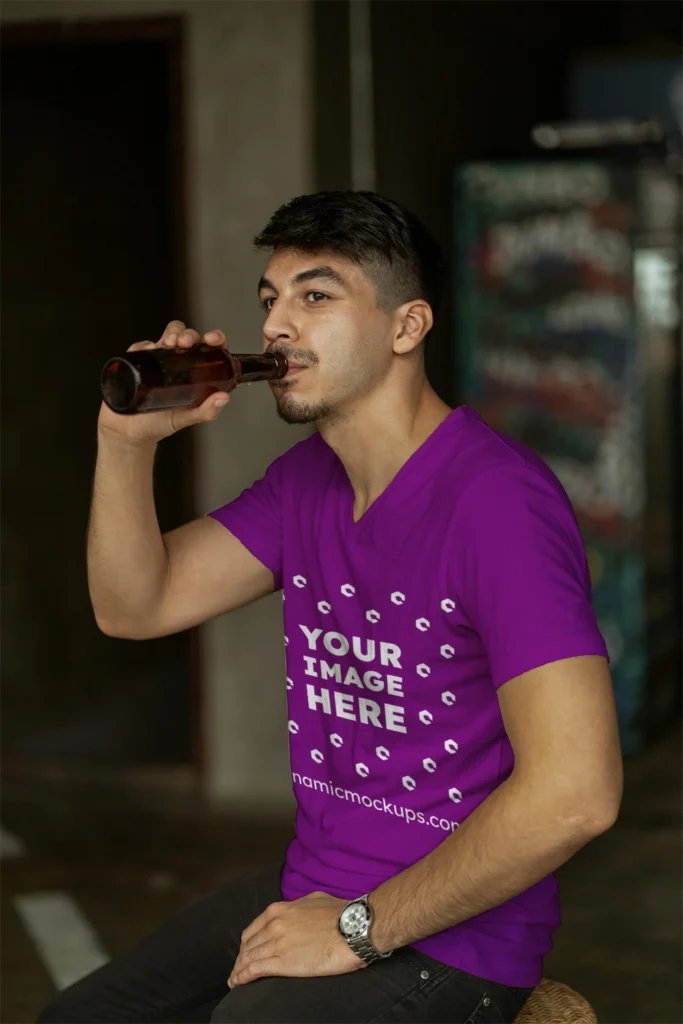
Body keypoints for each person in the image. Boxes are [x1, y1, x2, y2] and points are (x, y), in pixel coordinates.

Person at [40, 191, 623, 1024]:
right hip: (311, 885)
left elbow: (576, 793)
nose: (277, 325)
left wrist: (359, 929)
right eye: (269, 300)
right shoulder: (305, 483)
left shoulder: (497, 504)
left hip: (452, 939)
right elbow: (137, 606)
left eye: (315, 296)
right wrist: (125, 445)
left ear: (405, 327)